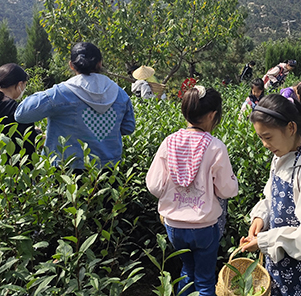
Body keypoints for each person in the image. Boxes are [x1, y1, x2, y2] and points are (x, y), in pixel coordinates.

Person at [240, 94, 301, 296]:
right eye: (260, 137)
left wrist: (264, 242)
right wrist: (262, 216)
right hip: (282, 265)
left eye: (268, 137)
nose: (264, 144)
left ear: (291, 128)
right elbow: (271, 197)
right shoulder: (283, 155)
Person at [146, 86, 238, 296]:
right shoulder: (215, 146)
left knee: (187, 272)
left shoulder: (169, 142)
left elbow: (154, 185)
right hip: (204, 226)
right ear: (213, 115)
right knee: (205, 280)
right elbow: (227, 190)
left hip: (174, 227)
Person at [15, 42, 136, 170]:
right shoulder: (119, 94)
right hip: (108, 169)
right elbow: (128, 128)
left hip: (65, 171)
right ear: (100, 63)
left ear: (71, 65)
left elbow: (21, 114)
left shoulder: (60, 93)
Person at [0, 63, 38, 158]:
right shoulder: (18, 110)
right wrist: (38, 134)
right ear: (20, 84)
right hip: (11, 167)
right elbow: (28, 144)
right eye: (25, 85)